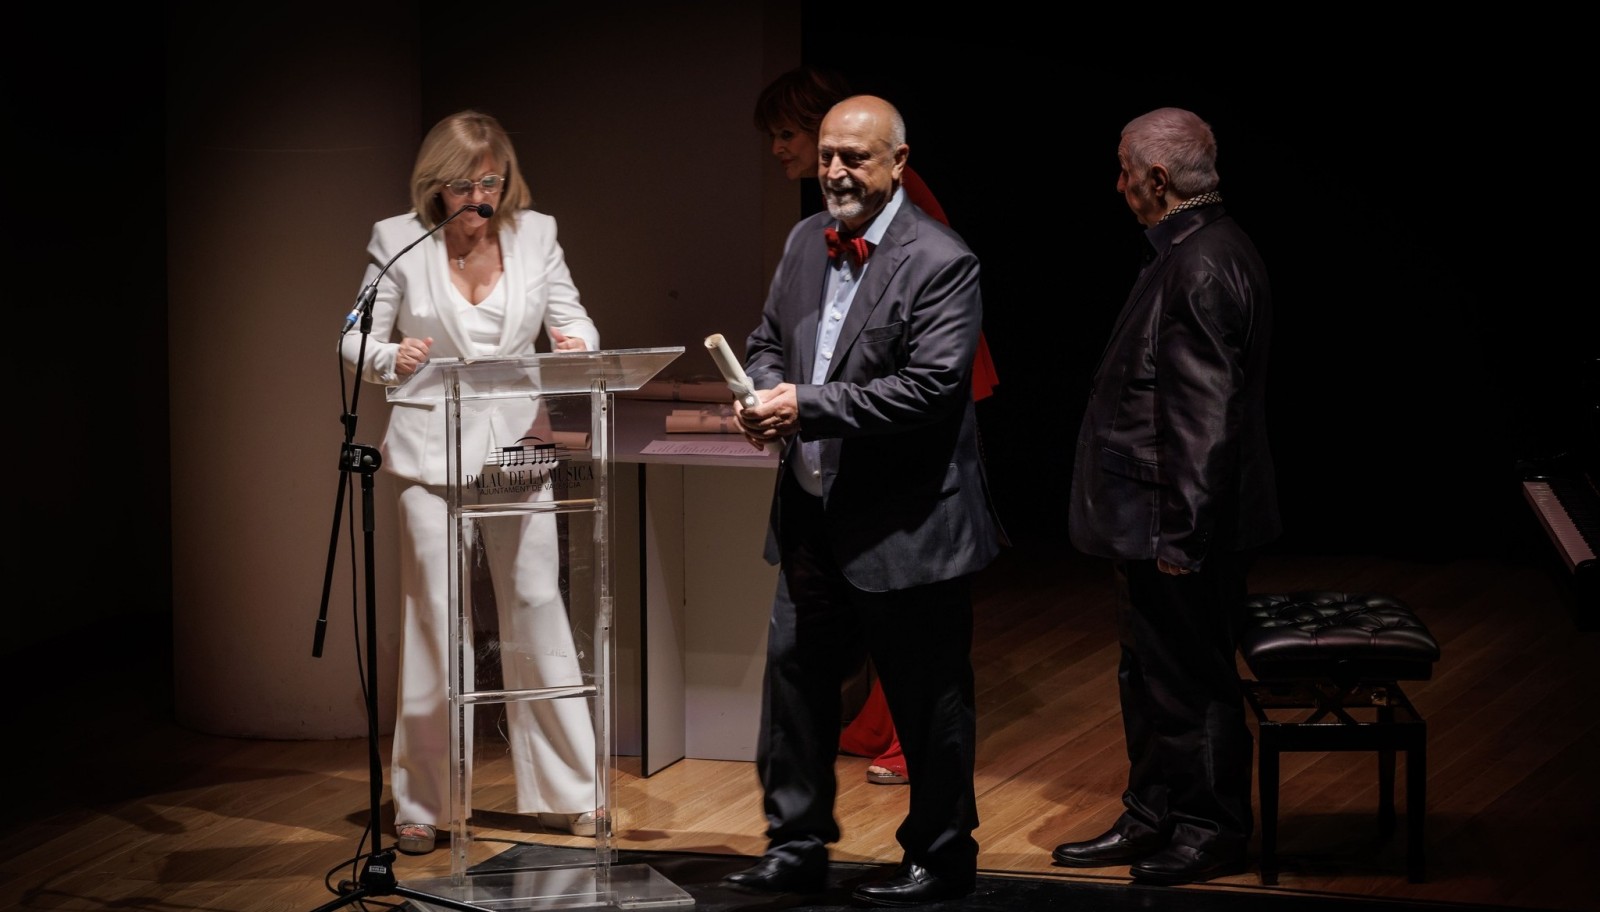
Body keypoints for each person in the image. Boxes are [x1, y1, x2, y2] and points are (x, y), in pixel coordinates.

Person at [721, 94, 999, 907]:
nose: (835, 171)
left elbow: (930, 389)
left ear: (899, 163)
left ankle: (941, 861)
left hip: (907, 522)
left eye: (856, 157)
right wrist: (764, 393)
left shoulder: (942, 260)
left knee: (928, 704)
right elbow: (769, 340)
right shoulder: (805, 240)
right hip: (812, 514)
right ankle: (796, 847)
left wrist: (802, 405)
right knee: (796, 688)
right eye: (828, 155)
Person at [338, 109, 603, 855]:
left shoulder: (536, 235)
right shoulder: (399, 240)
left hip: (518, 449)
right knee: (434, 618)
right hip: (429, 449)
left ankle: (568, 792)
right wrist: (393, 358)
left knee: (536, 605)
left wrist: (578, 345)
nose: (480, 196)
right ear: (436, 185)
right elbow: (353, 335)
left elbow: (575, 323)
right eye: (465, 183)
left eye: (492, 181)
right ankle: (421, 802)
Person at [1051, 107, 1279, 886]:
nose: (1117, 186)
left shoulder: (1203, 264)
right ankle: (1154, 812)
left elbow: (1204, 417)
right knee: (1145, 673)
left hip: (1176, 526)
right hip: (1150, 521)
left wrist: (1184, 536)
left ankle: (1210, 828)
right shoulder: (1188, 251)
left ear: (1156, 179)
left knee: (1190, 678)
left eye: (1123, 171)